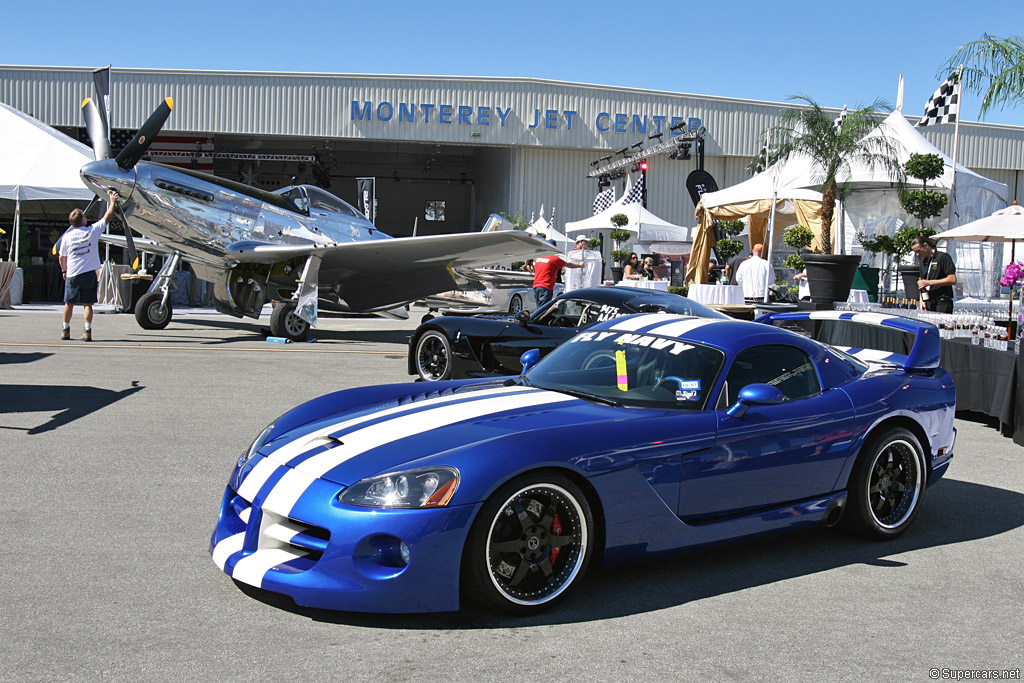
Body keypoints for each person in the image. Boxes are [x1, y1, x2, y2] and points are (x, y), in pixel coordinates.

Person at [59, 191, 118, 341]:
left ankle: (65, 328)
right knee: (88, 304)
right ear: (83, 220)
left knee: (69, 303)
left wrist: (64, 270)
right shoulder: (92, 231)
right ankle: (87, 330)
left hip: (72, 273)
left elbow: (61, 256)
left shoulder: (66, 237)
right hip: (88, 273)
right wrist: (112, 202)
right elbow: (107, 217)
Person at [912, 235, 956, 313]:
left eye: (918, 251)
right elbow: (922, 282)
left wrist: (929, 282)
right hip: (929, 300)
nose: (917, 254)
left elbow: (952, 279)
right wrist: (922, 300)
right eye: (915, 252)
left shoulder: (943, 257)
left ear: (925, 245)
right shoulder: (923, 262)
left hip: (942, 300)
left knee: (939, 324)